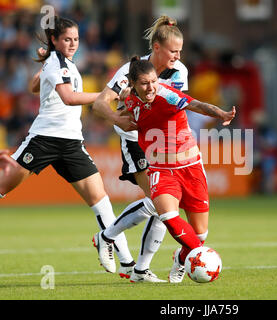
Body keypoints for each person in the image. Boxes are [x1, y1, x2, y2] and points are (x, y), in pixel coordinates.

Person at [0, 16, 136, 276]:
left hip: (72, 142)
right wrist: (108, 95)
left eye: (75, 39)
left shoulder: (62, 63)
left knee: (102, 202)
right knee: (2, 186)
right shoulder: (56, 62)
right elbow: (69, 98)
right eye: (66, 40)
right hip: (44, 140)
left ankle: (129, 264)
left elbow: (33, 86)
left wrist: (45, 65)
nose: (73, 44)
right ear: (54, 39)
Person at [94, 57, 235, 283]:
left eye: (153, 82)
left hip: (191, 168)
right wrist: (118, 119)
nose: (151, 87)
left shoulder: (166, 94)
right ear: (133, 84)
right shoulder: (129, 99)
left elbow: (196, 105)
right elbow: (109, 104)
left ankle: (182, 260)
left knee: (199, 235)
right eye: (144, 83)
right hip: (162, 169)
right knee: (168, 215)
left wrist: (220, 113)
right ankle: (195, 258)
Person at [92, 15, 190, 283]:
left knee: (166, 207)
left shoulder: (180, 71)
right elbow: (100, 104)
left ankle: (138, 269)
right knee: (161, 203)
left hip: (162, 144)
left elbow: (177, 107)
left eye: (180, 51)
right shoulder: (130, 71)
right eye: (173, 51)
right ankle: (109, 237)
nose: (178, 56)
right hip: (135, 142)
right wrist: (116, 118)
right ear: (157, 48)